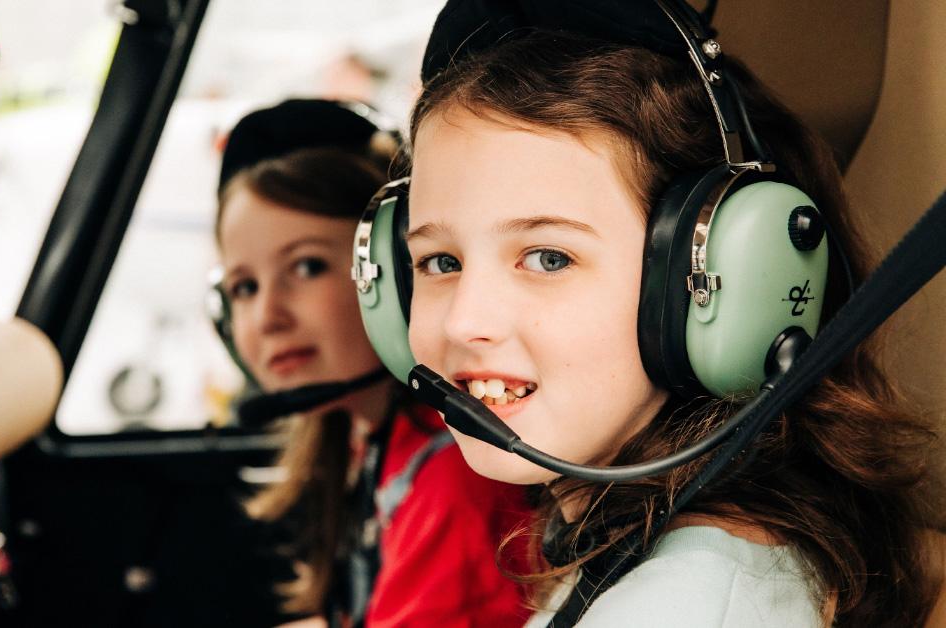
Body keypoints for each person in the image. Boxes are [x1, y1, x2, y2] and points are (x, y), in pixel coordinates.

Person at [394, 5, 945, 628]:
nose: (464, 322)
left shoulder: (689, 604)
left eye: (549, 257)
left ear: (724, 287)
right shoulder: (638, 553)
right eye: (439, 261)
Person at [214, 98, 532, 627]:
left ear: (397, 277)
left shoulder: (452, 477)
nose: (267, 316)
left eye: (308, 266)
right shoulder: (371, 444)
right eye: (243, 287)